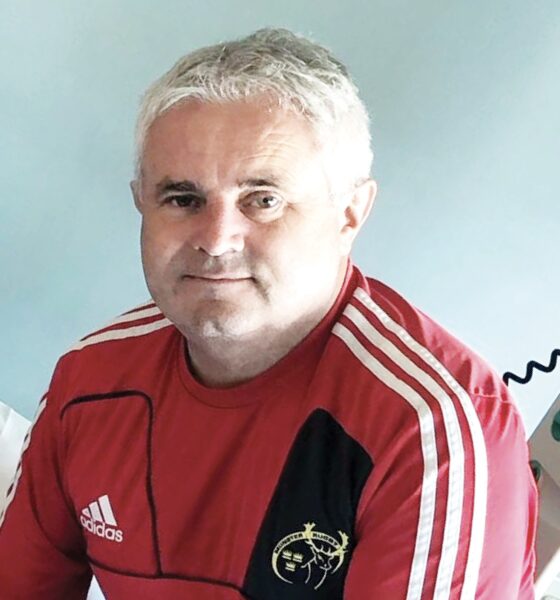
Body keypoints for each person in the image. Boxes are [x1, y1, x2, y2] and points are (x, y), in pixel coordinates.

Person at [0, 28, 537, 599]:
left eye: (263, 199)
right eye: (183, 199)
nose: (216, 240)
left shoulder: (433, 430)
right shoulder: (89, 378)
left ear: (350, 214)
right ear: (141, 203)